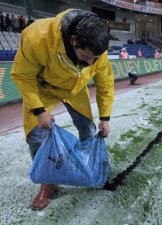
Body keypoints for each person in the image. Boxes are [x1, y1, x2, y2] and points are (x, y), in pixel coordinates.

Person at [10, 9, 114, 210]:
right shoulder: (36, 36)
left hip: (74, 90)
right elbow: (23, 76)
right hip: (44, 89)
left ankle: (88, 168)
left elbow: (105, 83)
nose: (90, 64)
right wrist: (39, 111)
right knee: (36, 135)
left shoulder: (96, 49)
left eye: (95, 59)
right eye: (85, 57)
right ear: (73, 40)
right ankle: (48, 183)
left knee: (89, 130)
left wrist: (105, 117)